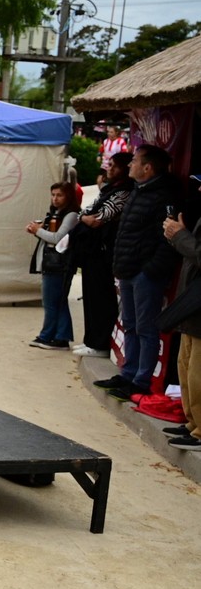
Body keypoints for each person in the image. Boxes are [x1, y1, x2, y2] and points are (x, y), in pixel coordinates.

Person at [96, 144, 181, 400]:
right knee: (130, 325)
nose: (130, 165)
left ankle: (141, 381)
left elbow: (167, 239)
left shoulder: (164, 196)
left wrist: (150, 271)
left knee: (146, 328)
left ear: (147, 168)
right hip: (127, 270)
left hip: (145, 275)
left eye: (134, 161)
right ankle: (128, 374)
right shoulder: (138, 190)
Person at [71, 151, 132, 357]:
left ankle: (100, 344)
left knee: (102, 299)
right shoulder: (110, 189)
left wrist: (86, 218)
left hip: (105, 252)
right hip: (92, 251)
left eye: (114, 165)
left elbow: (98, 219)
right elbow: (84, 212)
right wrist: (85, 217)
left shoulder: (124, 192)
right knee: (90, 298)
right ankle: (91, 340)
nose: (109, 169)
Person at [161, 203, 201, 450]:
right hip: (191, 305)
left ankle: (199, 431)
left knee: (197, 372)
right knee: (185, 367)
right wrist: (178, 237)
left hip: (197, 307)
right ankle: (192, 422)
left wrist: (180, 236)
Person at [25, 183, 79, 351]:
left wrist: (38, 231)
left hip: (59, 264)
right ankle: (56, 336)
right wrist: (37, 231)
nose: (55, 199)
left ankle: (52, 336)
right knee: (55, 301)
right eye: (53, 195)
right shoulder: (56, 213)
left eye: (59, 195)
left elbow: (57, 238)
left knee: (53, 302)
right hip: (52, 263)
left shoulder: (71, 215)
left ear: (68, 196)